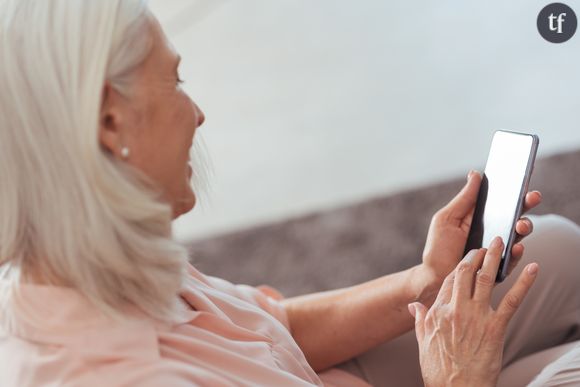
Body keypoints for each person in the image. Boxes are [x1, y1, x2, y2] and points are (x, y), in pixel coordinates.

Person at [0, 1, 578, 386]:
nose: (198, 114)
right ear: (110, 123)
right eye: (174, 82)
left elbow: (270, 326)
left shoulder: (90, 258)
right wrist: (456, 377)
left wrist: (422, 280)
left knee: (555, 246)